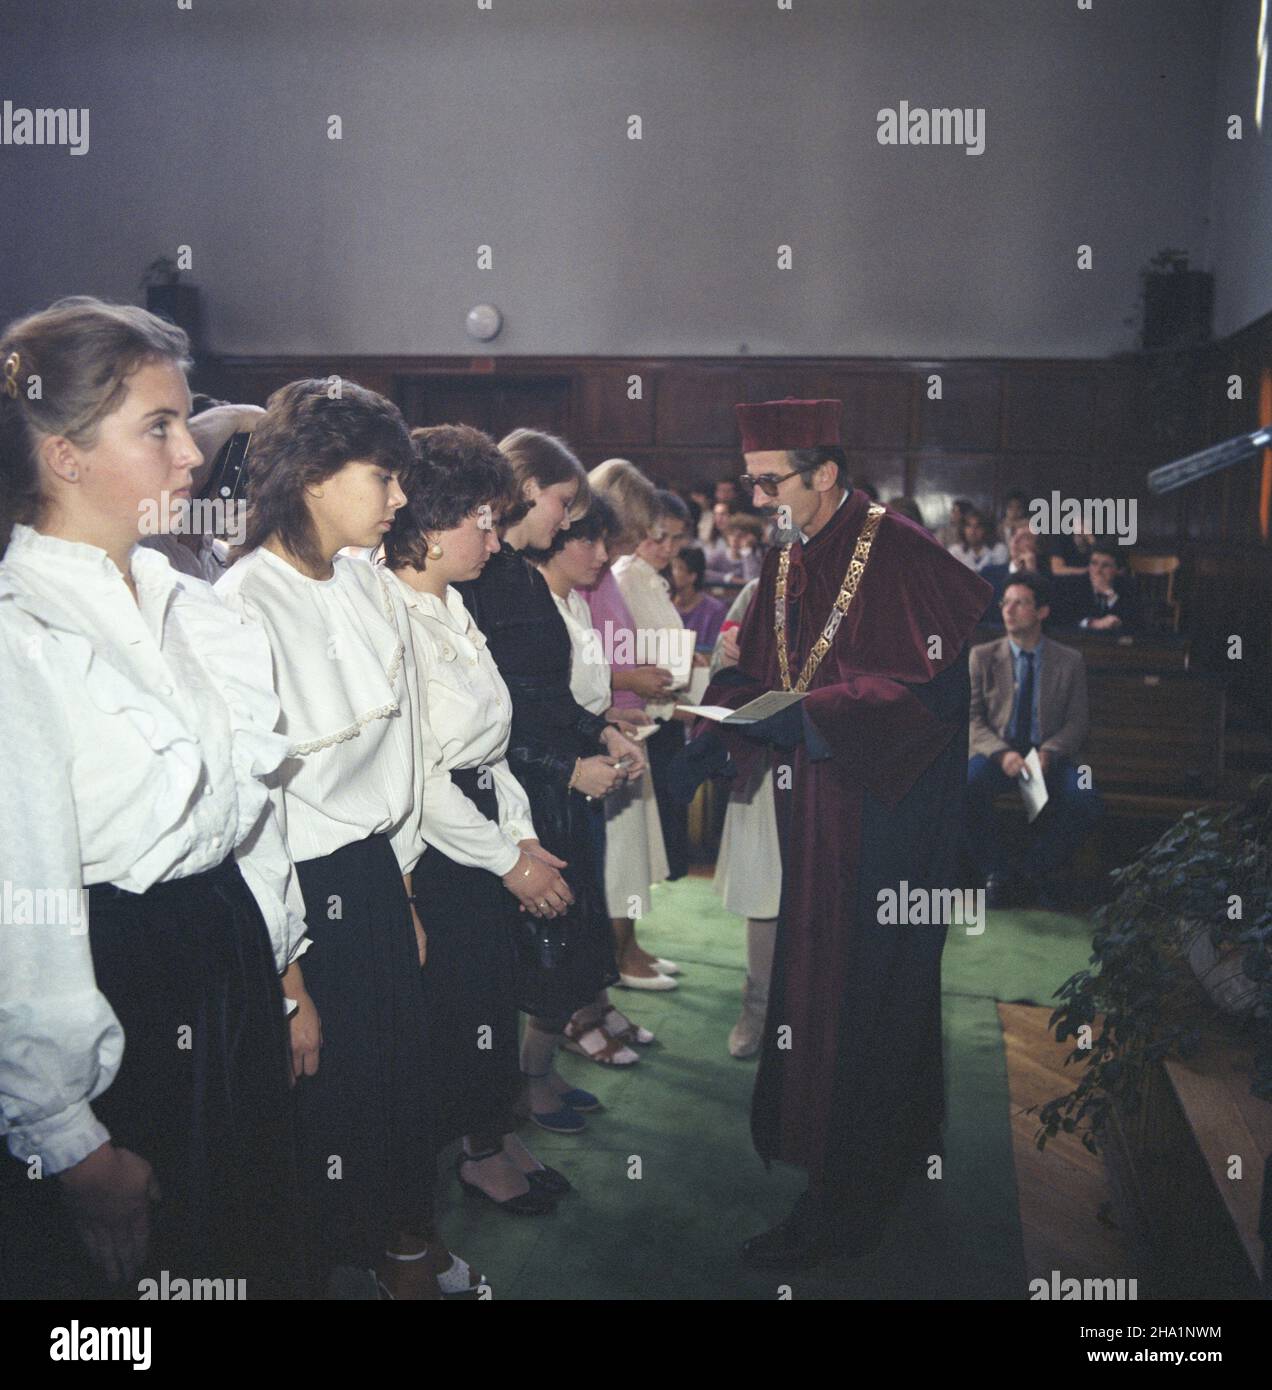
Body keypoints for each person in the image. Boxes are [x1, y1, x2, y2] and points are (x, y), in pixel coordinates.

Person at [0, 297, 307, 1298]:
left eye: (185, 422)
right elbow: (24, 910)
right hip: (117, 988)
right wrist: (67, 1139)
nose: (192, 457)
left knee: (247, 1244)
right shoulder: (22, 635)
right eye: (159, 428)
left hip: (221, 959)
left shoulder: (190, 608)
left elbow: (247, 810)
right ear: (63, 455)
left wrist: (285, 967)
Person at [679, 397, 991, 1267]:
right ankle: (888, 1154)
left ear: (825, 475)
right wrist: (723, 717)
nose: (758, 497)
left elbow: (926, 696)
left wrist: (809, 719)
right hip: (819, 810)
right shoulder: (793, 551)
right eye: (752, 481)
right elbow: (769, 669)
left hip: (886, 824)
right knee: (833, 992)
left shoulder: (900, 550)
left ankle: (847, 1201)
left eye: (771, 480)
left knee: (862, 996)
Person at [215, 378, 447, 1300]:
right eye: (384, 477)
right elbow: (253, 813)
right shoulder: (240, 603)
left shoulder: (361, 580)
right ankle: (337, 1269)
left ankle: (399, 1255)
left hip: (371, 873)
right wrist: (287, 974)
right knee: (329, 1108)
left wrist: (405, 888)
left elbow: (405, 759)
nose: (398, 500)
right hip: (299, 897)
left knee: (398, 1083)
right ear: (314, 475)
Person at [383, 423, 572, 1216]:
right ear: (428, 524)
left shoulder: (454, 603)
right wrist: (507, 860)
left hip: (485, 817)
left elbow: (494, 744)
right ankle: (476, 1153)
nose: (496, 540)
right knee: (462, 1008)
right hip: (437, 842)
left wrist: (523, 833)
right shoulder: (391, 615)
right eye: (482, 523)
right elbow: (422, 776)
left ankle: (492, 1130)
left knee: (493, 993)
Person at [454, 429, 645, 1135]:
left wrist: (602, 733)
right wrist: (569, 764)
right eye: (561, 504)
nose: (567, 522)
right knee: (533, 955)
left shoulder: (522, 577)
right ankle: (512, 1101)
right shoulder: (485, 581)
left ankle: (538, 1079)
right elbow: (500, 713)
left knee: (561, 949)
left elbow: (550, 696)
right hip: (520, 793)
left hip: (548, 784)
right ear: (525, 491)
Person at [533, 491, 668, 1050]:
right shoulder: (536, 602)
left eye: (603, 541)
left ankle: (595, 1004)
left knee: (588, 909)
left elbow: (580, 694)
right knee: (560, 918)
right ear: (555, 541)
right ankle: (566, 1028)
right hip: (555, 779)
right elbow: (538, 706)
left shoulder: (579, 602)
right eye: (586, 540)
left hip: (588, 767)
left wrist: (608, 717)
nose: (601, 554)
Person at [583, 459, 681, 991]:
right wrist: (631, 679)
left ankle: (628, 948)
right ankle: (612, 961)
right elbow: (576, 659)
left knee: (632, 861)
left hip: (627, 723)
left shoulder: (606, 573)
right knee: (614, 866)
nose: (624, 547)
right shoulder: (586, 571)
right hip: (601, 731)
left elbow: (615, 642)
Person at [966, 573, 1103, 908]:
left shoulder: (1069, 660)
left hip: (1049, 756)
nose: (1008, 610)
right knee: (963, 786)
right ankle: (995, 872)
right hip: (999, 754)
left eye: (1020, 602)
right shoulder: (983, 656)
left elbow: (1077, 722)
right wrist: (1001, 754)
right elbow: (971, 719)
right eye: (1005, 602)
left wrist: (1049, 752)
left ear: (1042, 612)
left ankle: (1031, 870)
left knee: (1084, 798)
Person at [708, 579, 780, 1060]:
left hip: (827, 762)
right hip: (765, 760)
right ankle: (758, 1007)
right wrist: (728, 654)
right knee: (763, 889)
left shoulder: (855, 589)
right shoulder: (757, 590)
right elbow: (719, 669)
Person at [614, 489, 693, 886]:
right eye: (658, 537)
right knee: (648, 830)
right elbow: (622, 654)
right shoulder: (627, 576)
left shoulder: (652, 579)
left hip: (667, 706)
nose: (667, 548)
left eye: (675, 538)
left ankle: (634, 935)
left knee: (665, 828)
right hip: (644, 710)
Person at [1052, 543, 1143, 632]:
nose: (1098, 570)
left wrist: (1110, 594)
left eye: (1105, 565)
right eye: (1094, 563)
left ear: (1119, 570)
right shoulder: (1073, 585)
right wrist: (1092, 623)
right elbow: (1063, 622)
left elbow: (1136, 623)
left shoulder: (1129, 587)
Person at [671, 544, 727, 653]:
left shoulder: (715, 611)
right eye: (672, 567)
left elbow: (714, 653)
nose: (672, 573)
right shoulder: (662, 605)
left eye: (679, 568)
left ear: (692, 576)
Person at [706, 512, 765, 587]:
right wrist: (729, 578)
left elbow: (752, 583)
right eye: (731, 534)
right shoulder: (718, 556)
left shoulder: (755, 559)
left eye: (740, 536)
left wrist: (747, 552)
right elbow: (703, 573)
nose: (734, 539)